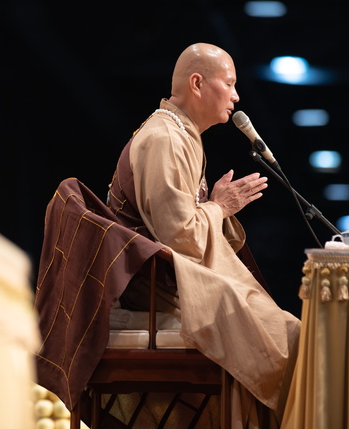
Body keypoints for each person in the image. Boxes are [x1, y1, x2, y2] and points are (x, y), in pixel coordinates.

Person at [106, 42, 301, 427]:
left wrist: (212, 206)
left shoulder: (180, 134)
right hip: (152, 291)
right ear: (197, 83)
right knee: (286, 336)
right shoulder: (165, 138)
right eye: (229, 83)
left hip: (166, 282)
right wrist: (219, 207)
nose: (236, 95)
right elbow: (181, 237)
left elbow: (181, 225)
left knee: (286, 329)